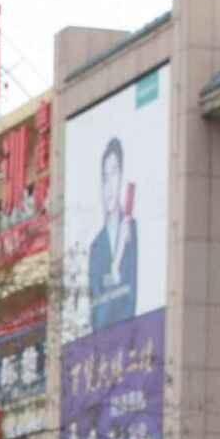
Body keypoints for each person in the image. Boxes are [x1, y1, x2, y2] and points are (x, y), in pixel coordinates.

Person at [86, 135, 137, 328]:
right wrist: (116, 265)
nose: (109, 185)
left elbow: (133, 297)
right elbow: (97, 314)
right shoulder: (96, 247)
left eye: (114, 173)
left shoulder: (133, 230)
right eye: (104, 177)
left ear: (122, 176)